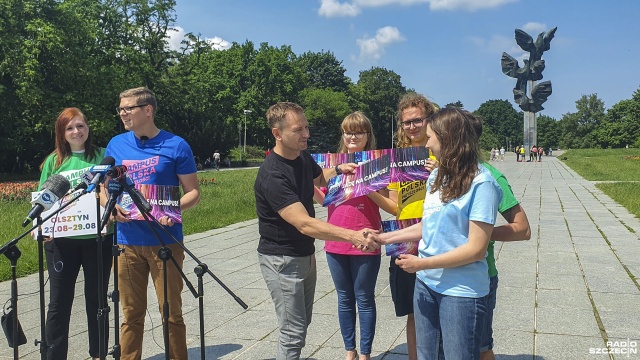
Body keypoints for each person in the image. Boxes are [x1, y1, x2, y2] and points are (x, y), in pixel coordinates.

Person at [254, 102, 380, 360]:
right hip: (282, 260)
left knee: (302, 324)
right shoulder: (272, 175)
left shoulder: (301, 156)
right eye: (298, 129)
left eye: (307, 127)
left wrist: (338, 169)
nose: (306, 134)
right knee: (293, 331)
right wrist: (353, 236)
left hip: (303, 255)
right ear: (277, 134)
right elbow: (304, 223)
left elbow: (319, 179)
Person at [375, 108, 503, 360]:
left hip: (460, 291)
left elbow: (476, 249)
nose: (427, 141)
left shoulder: (483, 184)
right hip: (426, 284)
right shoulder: (436, 175)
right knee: (426, 355)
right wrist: (383, 237)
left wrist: (421, 263)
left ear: (449, 140)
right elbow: (427, 226)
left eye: (431, 136)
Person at [107, 87, 200, 360]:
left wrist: (167, 210)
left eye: (128, 108)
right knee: (131, 314)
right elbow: (105, 188)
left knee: (171, 312)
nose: (123, 113)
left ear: (148, 110)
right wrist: (110, 206)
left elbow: (193, 193)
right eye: (120, 109)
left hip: (165, 241)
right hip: (126, 242)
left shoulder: (177, 145)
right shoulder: (116, 144)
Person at [366, 92, 438, 360]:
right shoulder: (398, 160)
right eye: (407, 122)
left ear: (429, 119)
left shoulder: (444, 152)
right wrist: (368, 188)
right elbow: (395, 205)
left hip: (436, 232)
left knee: (442, 302)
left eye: (417, 120)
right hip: (405, 234)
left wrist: (441, 173)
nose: (412, 127)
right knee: (412, 309)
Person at [39, 107, 112, 360]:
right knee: (59, 303)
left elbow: (112, 192)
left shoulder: (103, 156)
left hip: (97, 239)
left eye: (80, 126)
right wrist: (42, 228)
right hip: (61, 242)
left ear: (88, 128)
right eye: (70, 127)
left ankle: (98, 354)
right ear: (62, 133)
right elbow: (43, 199)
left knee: (97, 300)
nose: (76, 131)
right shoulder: (54, 161)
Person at [313, 112, 382, 360]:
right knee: (344, 298)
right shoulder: (332, 167)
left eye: (359, 132)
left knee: (364, 298)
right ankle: (349, 351)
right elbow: (324, 200)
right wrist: (307, 183)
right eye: (348, 131)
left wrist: (364, 181)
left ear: (367, 135)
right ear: (343, 134)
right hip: (336, 239)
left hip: (367, 236)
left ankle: (365, 353)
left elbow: (388, 203)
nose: (353, 136)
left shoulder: (378, 163)